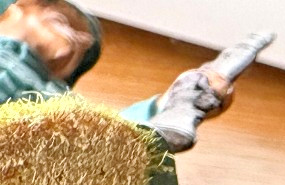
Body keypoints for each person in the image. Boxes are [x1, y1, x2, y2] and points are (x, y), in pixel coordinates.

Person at [0, 0, 235, 149]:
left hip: (23, 141)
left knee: (96, 139)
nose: (79, 40)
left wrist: (171, 103)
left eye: (84, 48)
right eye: (62, 21)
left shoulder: (54, 99)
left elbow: (106, 130)